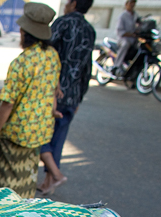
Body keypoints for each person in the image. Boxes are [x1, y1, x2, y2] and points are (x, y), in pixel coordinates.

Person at [0, 2, 60, 198]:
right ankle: (24, 213)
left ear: (25, 32)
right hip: (39, 131)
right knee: (28, 177)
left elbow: (8, 103)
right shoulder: (52, 55)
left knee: (8, 185)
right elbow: (53, 88)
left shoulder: (21, 62)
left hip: (16, 134)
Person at [39, 0, 95, 195]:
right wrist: (80, 97)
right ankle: (48, 181)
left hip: (53, 91)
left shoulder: (62, 23)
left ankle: (54, 175)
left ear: (73, 3)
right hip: (73, 95)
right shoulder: (89, 30)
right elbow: (87, 68)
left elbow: (46, 53)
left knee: (39, 134)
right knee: (58, 138)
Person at [114, 0, 137, 73]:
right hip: (124, 38)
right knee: (125, 44)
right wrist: (131, 34)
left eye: (134, 3)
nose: (132, 5)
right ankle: (117, 65)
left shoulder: (135, 15)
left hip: (134, 39)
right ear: (126, 4)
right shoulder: (122, 16)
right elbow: (120, 31)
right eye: (131, 3)